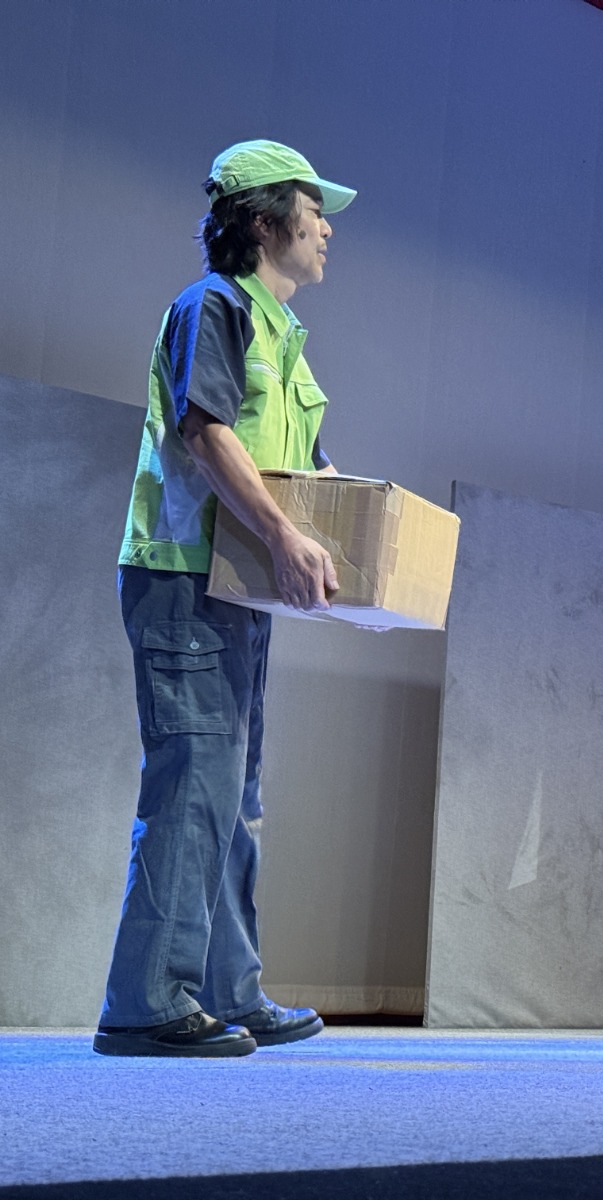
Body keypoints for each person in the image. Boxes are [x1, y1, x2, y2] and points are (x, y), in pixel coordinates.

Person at [94, 141, 356, 1057]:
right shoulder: (213, 307)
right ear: (262, 220)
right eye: (314, 210)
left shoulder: (283, 336)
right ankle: (146, 1003)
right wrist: (284, 536)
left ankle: (227, 989)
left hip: (238, 592)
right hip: (183, 576)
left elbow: (305, 469)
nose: (327, 229)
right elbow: (205, 433)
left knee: (233, 795)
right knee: (193, 785)